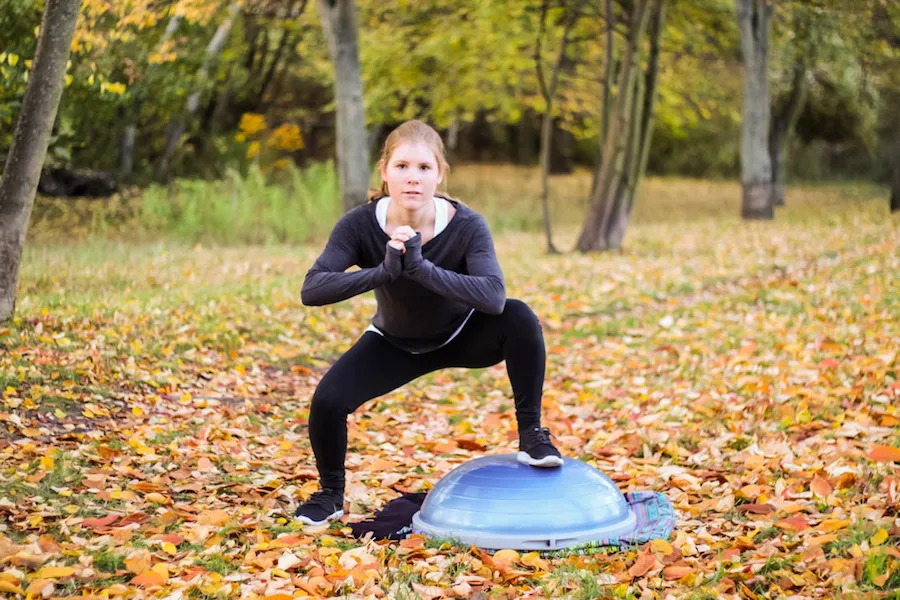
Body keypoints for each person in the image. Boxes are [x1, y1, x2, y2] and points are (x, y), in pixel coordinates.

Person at [295, 120, 562, 526]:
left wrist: (419, 267)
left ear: (440, 174)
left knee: (520, 316)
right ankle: (330, 494)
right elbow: (312, 288)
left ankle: (532, 435)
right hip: (394, 342)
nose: (412, 178)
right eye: (402, 166)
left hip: (463, 335)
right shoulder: (360, 224)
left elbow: (492, 296)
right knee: (328, 402)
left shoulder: (467, 225)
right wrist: (382, 272)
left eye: (423, 168)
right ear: (384, 171)